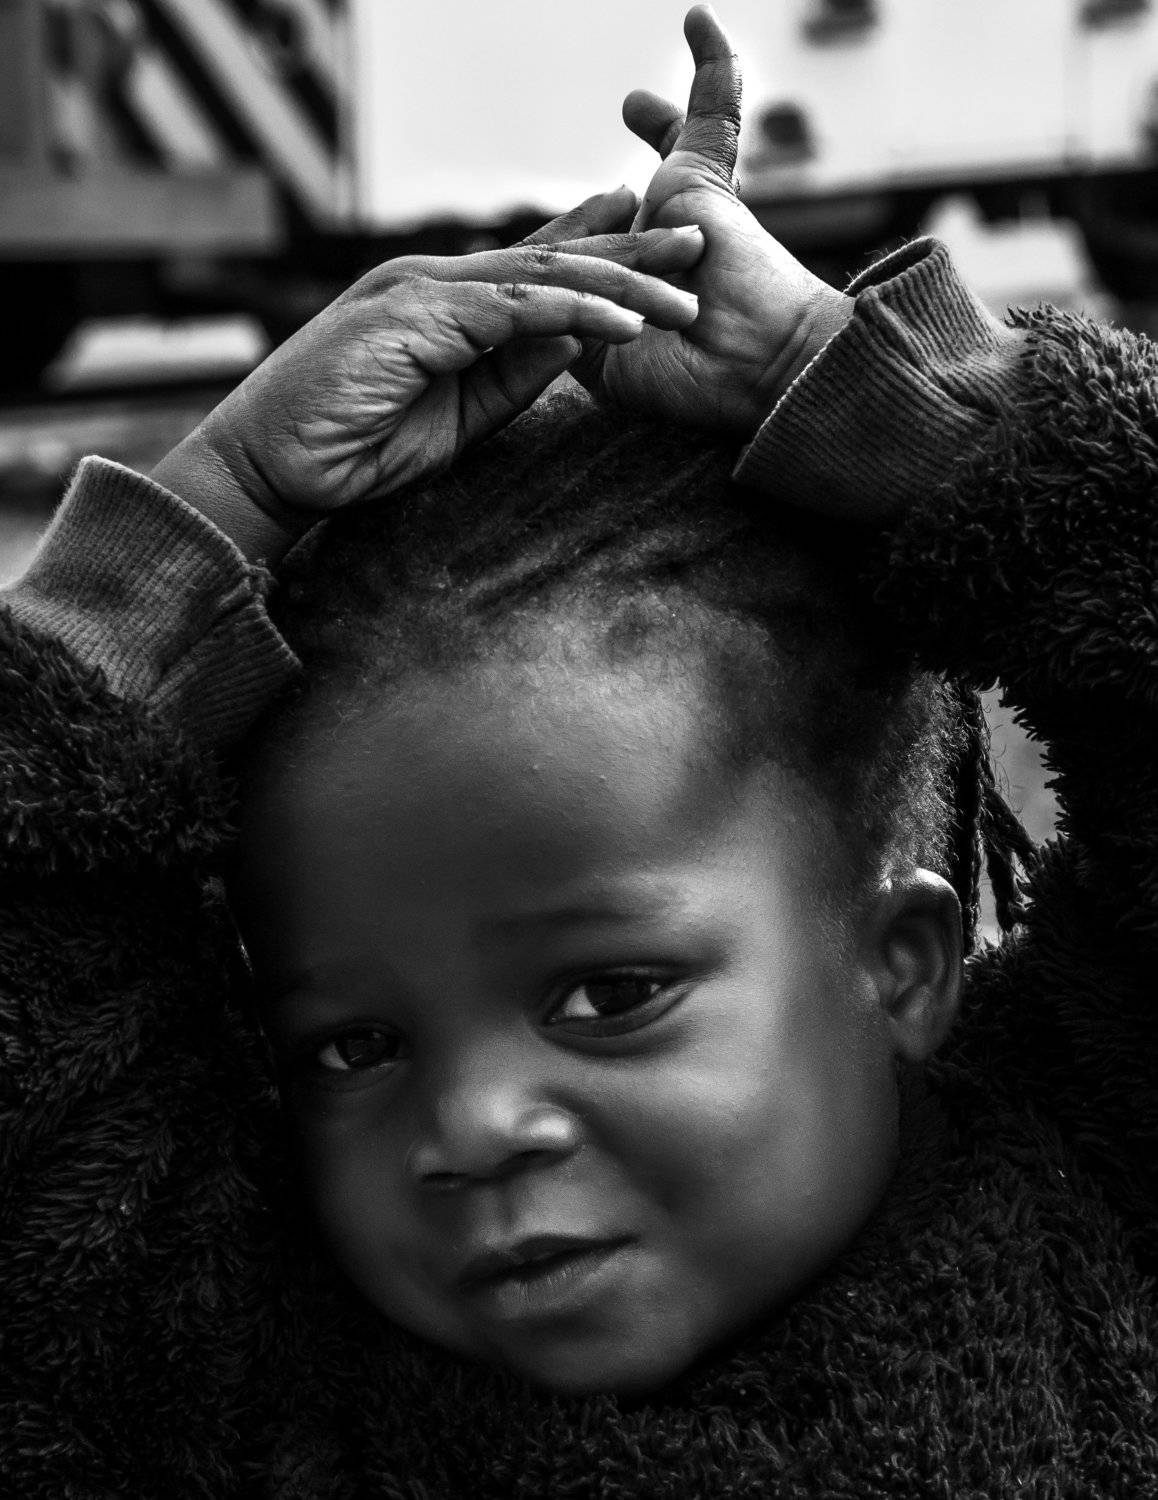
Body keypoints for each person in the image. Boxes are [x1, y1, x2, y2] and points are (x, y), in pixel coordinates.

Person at [2, 7, 1155, 1494]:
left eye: (609, 994)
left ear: (902, 964)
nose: (474, 1128)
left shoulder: (1100, 1188)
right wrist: (212, 505)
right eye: (353, 1047)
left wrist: (872, 393)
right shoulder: (247, 1383)